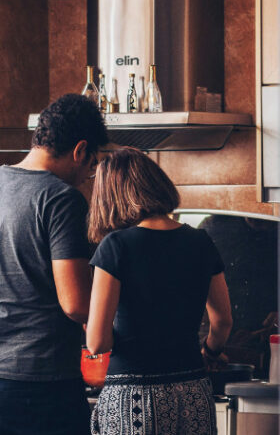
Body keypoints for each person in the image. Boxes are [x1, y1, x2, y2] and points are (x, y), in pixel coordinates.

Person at [0, 94, 108, 435]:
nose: (88, 175)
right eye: (92, 164)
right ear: (80, 150)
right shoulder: (61, 198)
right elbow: (76, 304)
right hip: (38, 384)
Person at [85, 148, 233, 435]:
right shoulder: (201, 241)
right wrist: (210, 352)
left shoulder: (116, 247)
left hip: (133, 396)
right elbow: (223, 321)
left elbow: (97, 342)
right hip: (193, 391)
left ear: (111, 196)